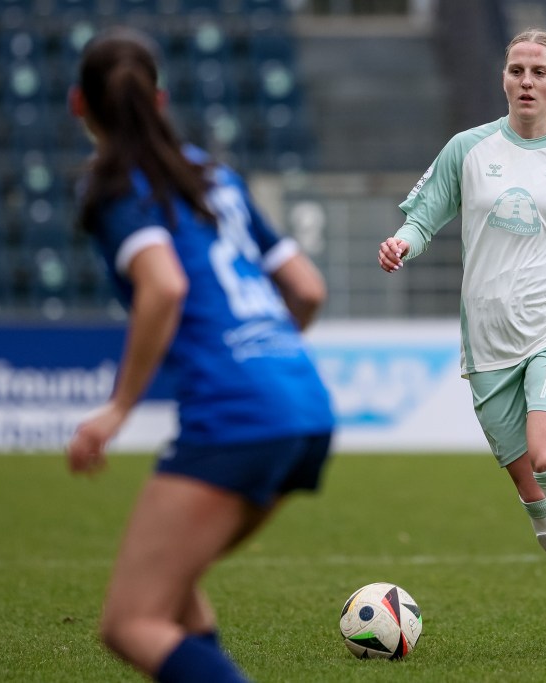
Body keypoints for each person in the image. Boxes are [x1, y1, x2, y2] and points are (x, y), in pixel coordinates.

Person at [65, 27, 335, 682]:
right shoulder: (214, 177)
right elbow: (307, 288)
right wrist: (263, 354)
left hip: (240, 417)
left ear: (79, 105)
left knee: (130, 622)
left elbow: (164, 285)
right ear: (160, 100)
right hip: (305, 403)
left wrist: (118, 408)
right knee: (173, 592)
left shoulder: (115, 185)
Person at [378, 27, 546, 655]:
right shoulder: (467, 150)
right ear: (504, 79)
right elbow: (425, 215)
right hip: (489, 342)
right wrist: (402, 243)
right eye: (516, 70)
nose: (526, 81)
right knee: (532, 492)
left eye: (539, 72)